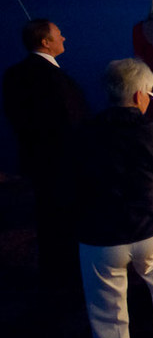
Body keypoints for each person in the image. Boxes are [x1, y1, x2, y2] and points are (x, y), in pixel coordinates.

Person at [75, 58, 153, 338]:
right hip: (152, 229)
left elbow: (70, 182)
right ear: (140, 95)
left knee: (108, 313)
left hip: (103, 237)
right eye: (150, 95)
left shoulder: (82, 132)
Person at [2, 19, 90, 301]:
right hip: (63, 160)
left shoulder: (13, 74)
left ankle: (51, 273)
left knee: (45, 216)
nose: (63, 37)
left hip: (33, 157)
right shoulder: (57, 80)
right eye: (58, 35)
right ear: (45, 42)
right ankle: (68, 277)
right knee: (67, 218)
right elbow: (74, 120)